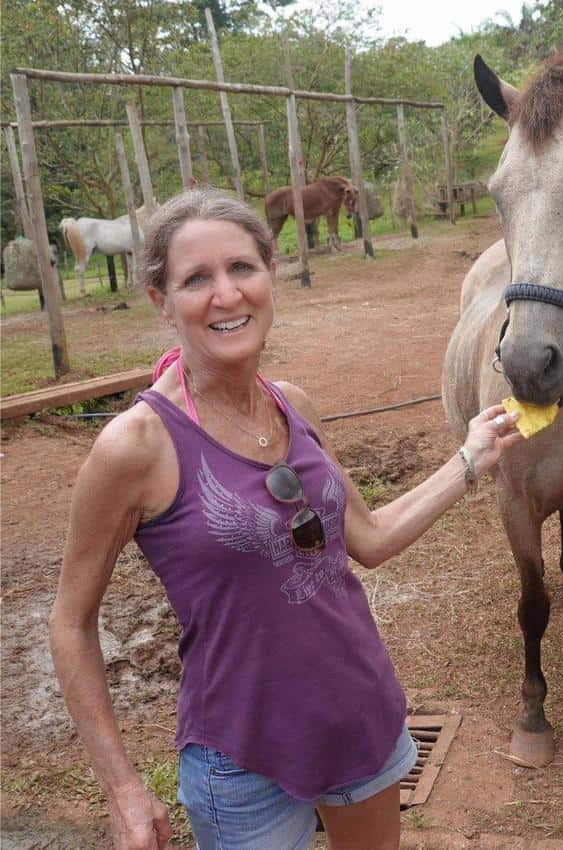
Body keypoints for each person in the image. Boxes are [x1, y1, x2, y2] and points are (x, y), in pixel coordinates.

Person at [48, 188, 522, 850]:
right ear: (162, 302)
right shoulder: (137, 445)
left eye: (242, 268)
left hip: (360, 718)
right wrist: (122, 788)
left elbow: (370, 538)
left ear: (269, 274)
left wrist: (468, 458)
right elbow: (70, 622)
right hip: (242, 756)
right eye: (196, 279)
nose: (227, 295)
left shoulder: (294, 405)